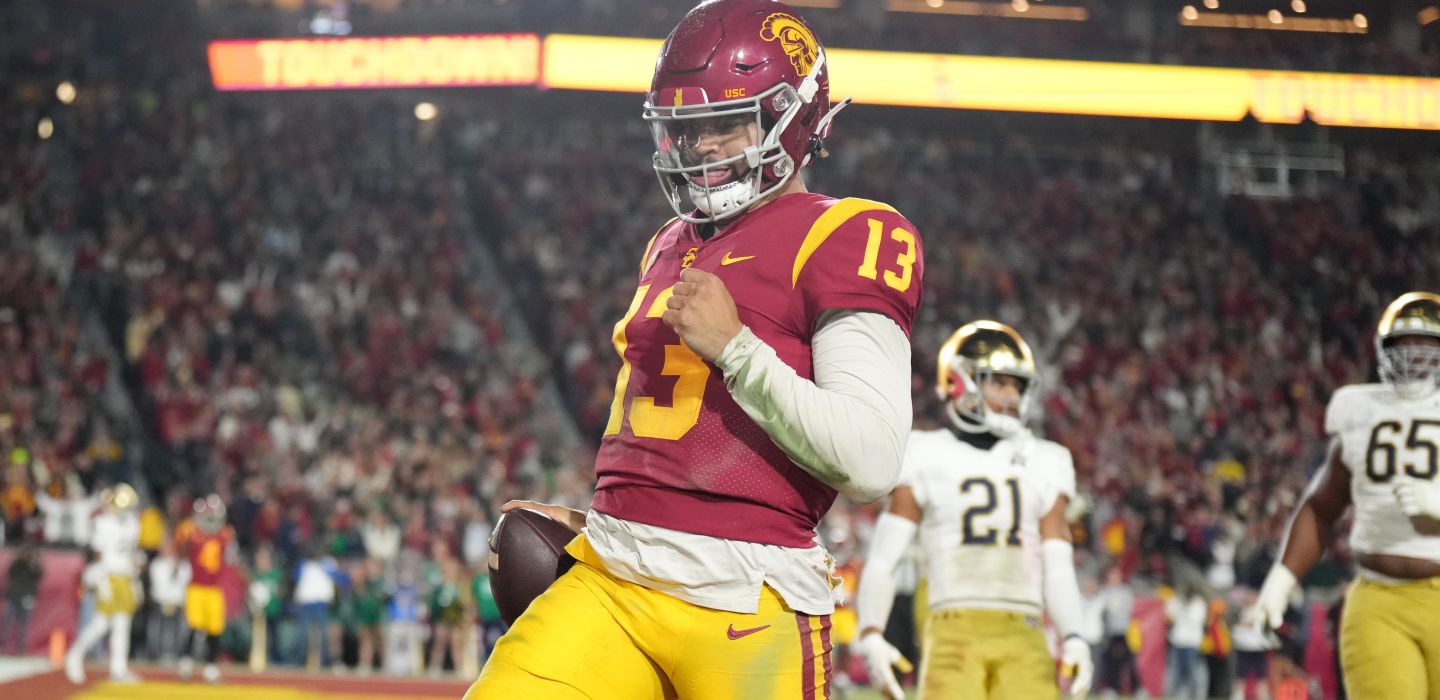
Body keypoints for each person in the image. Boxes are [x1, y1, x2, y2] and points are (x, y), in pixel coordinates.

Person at [468, 1, 924, 697]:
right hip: (615, 580)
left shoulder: (849, 232)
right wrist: (607, 519)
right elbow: (671, 441)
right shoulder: (669, 241)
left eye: (725, 122)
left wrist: (738, 349)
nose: (703, 146)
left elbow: (871, 461)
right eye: (688, 128)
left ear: (794, 116)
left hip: (749, 598)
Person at [853, 321, 1092, 699]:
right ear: (960, 382)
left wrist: (1074, 636)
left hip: (1025, 627)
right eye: (999, 381)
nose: (1011, 394)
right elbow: (884, 558)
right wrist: (870, 632)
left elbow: (1058, 565)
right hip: (953, 626)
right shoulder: (924, 450)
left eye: (1017, 384)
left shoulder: (1047, 459)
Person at [1247, 291, 1440, 699]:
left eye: (1425, 344)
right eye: (1403, 343)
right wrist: (1281, 581)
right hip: (1378, 596)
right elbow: (1321, 509)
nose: (1413, 354)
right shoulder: (1361, 410)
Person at [65, 483, 143, 683]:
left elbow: (131, 554)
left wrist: (135, 581)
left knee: (122, 623)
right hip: (108, 575)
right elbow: (97, 553)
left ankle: (118, 668)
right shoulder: (103, 523)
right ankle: (75, 654)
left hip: (125, 576)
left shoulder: (132, 524)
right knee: (101, 623)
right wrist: (101, 579)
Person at [177, 494, 235, 683]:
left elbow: (231, 559)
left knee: (214, 631)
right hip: (196, 588)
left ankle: (211, 669)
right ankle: (185, 664)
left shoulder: (225, 534)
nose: (210, 519)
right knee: (194, 628)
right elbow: (180, 549)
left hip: (213, 590)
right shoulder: (190, 531)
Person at [2, 541, 42, 655]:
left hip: (27, 597)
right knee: (8, 623)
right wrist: (18, 560)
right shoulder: (17, 564)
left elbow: (39, 574)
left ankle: (21, 649)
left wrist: (33, 563)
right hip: (14, 595)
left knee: (24, 625)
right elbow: (10, 573)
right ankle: (3, 647)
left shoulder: (35, 565)